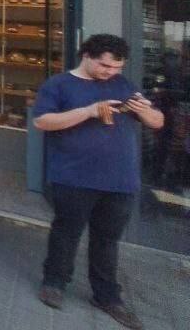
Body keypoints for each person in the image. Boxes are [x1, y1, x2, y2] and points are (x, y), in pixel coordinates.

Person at [33, 34, 163, 330]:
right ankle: (54, 282)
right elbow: (42, 122)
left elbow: (157, 122)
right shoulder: (59, 84)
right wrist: (89, 111)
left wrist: (146, 111)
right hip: (73, 176)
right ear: (87, 56)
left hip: (120, 180)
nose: (110, 72)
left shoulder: (122, 85)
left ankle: (106, 296)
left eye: (116, 67)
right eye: (105, 66)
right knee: (66, 233)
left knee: (107, 241)